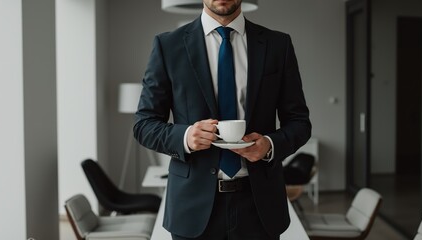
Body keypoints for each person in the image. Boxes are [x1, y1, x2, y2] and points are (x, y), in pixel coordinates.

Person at [133, 0, 311, 239]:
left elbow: (300, 122)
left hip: (260, 207)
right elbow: (144, 124)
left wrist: (269, 145)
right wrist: (185, 137)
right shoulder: (168, 45)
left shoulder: (278, 45)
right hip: (192, 207)